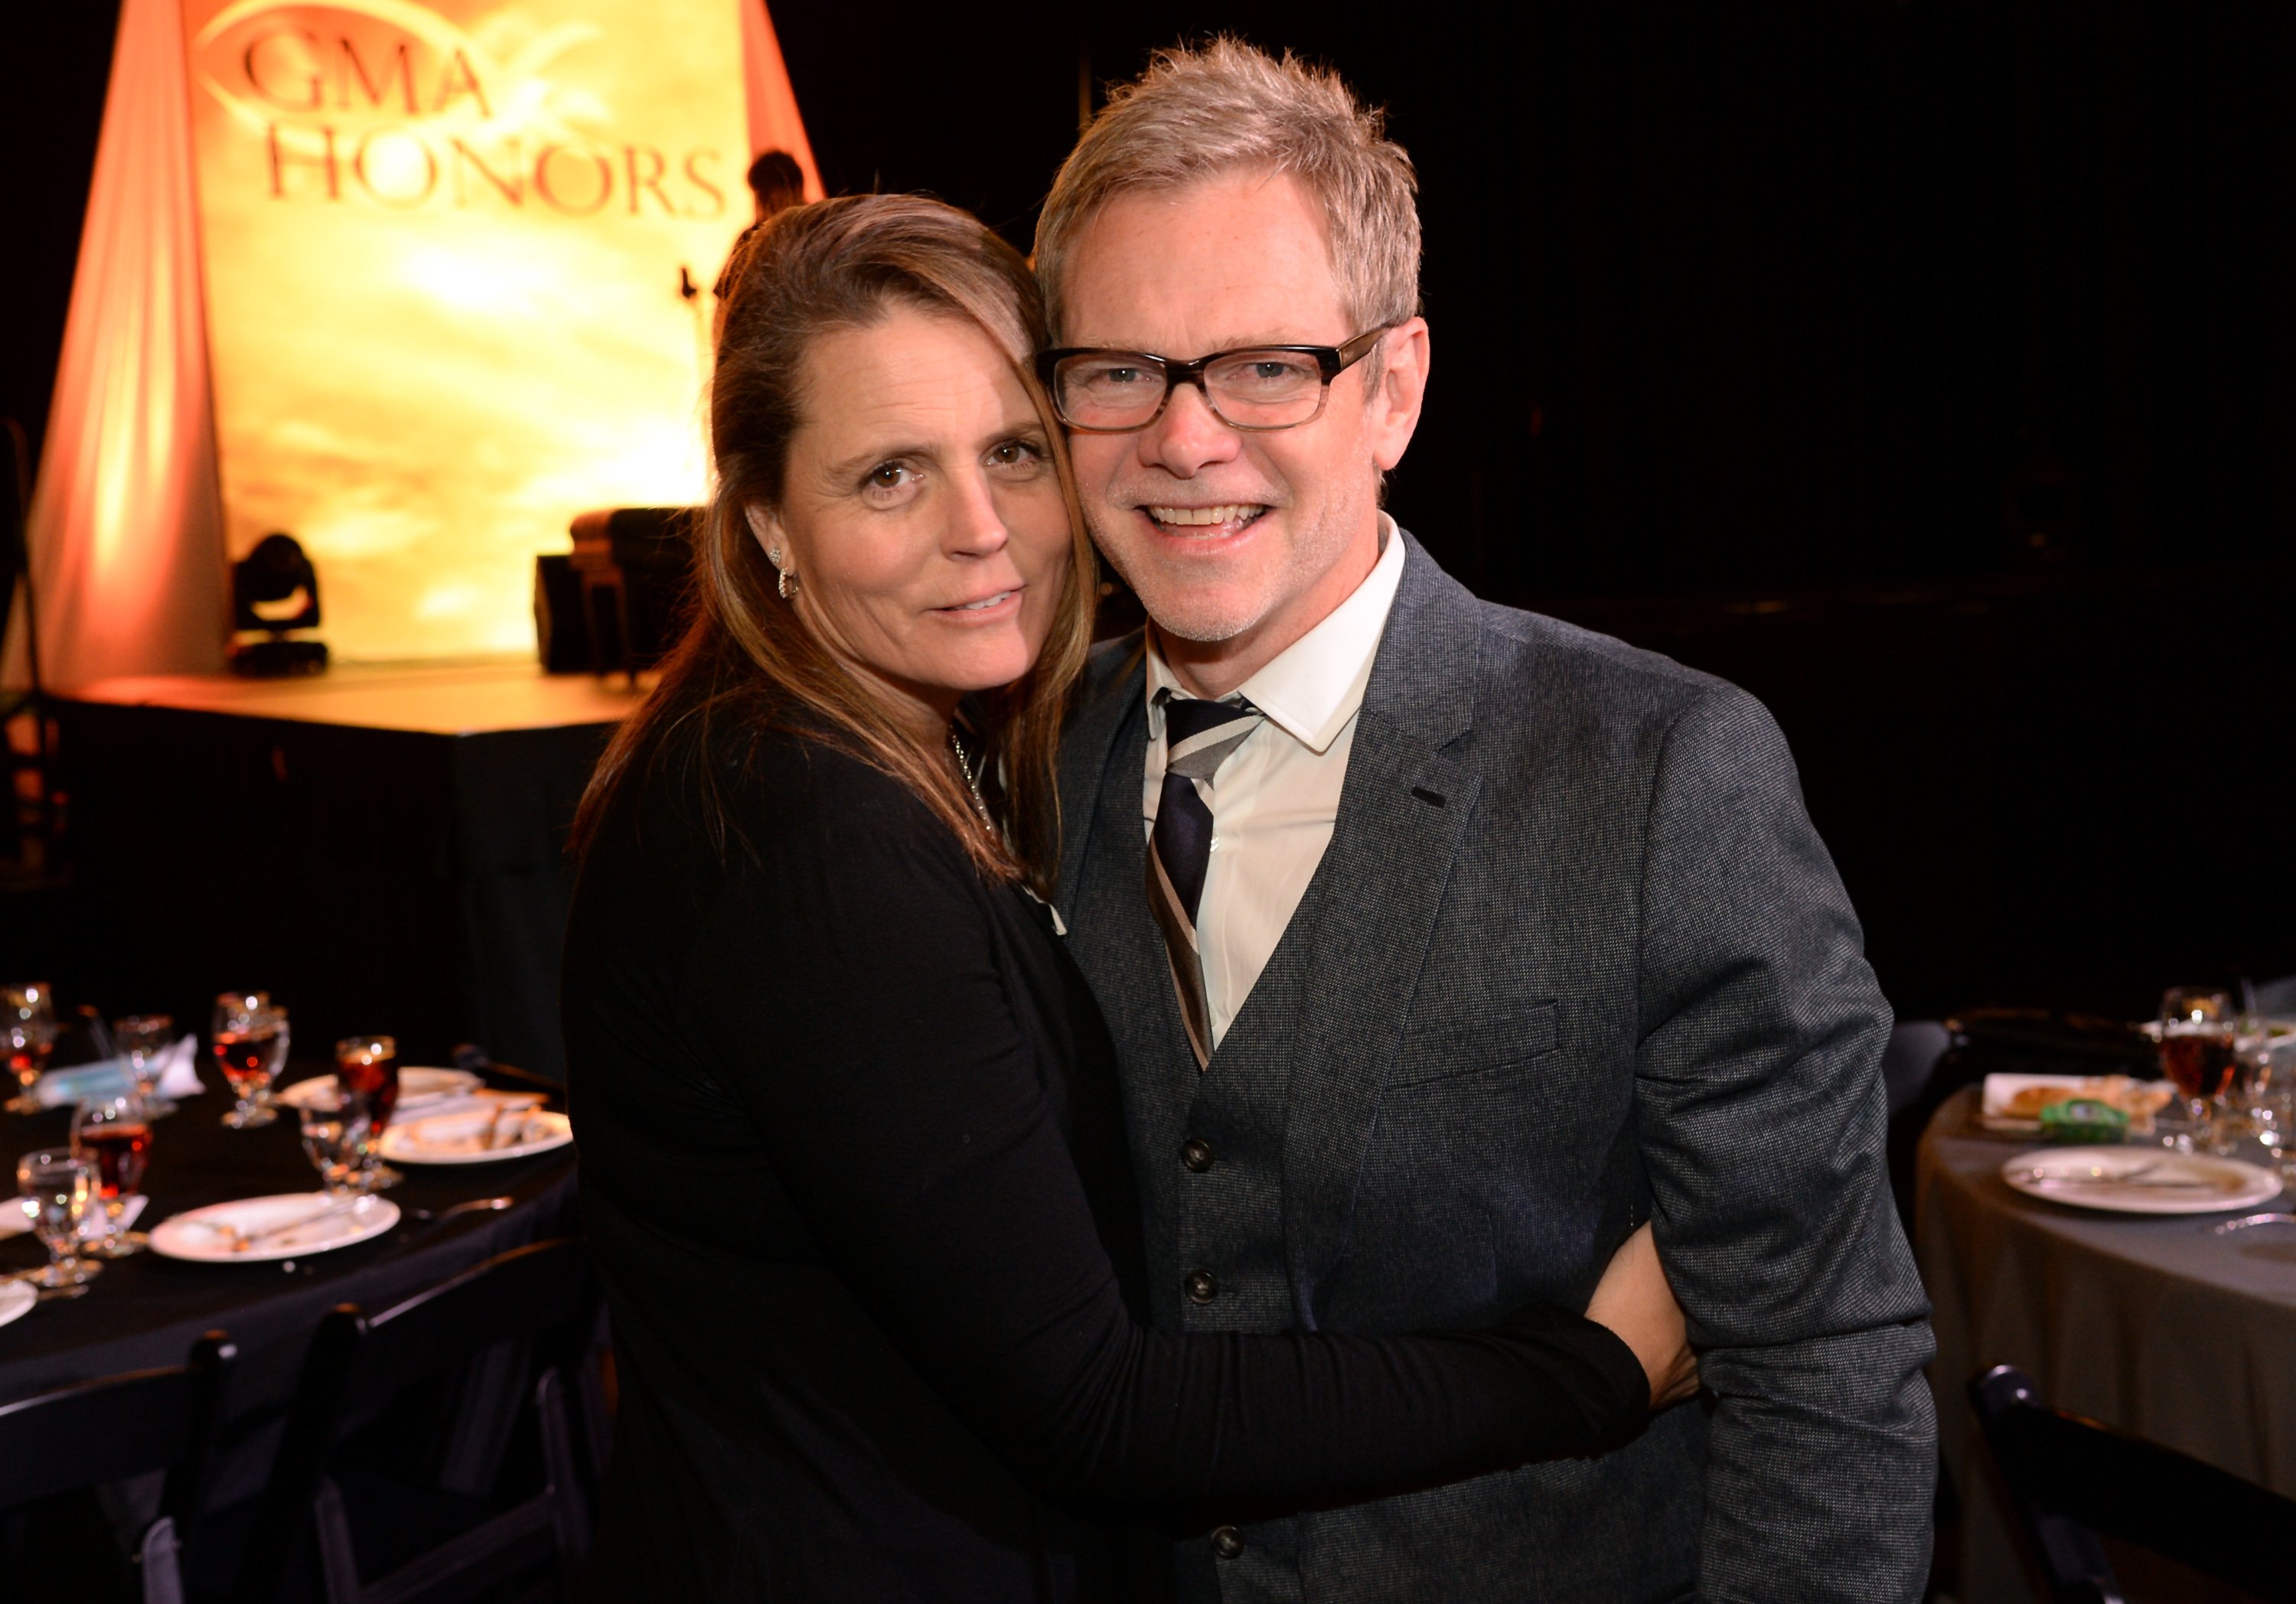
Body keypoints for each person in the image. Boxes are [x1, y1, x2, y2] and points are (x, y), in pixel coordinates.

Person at [562, 192, 1698, 1601]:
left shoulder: (919, 752)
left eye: (1016, 454)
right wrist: (1588, 1375)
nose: (984, 532)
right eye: (889, 478)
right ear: (766, 523)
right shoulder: (800, 833)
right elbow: (1098, 1408)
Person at [1036, 39, 1939, 1604]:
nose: (1183, 439)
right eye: (1119, 369)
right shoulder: (1025, 761)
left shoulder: (1663, 775)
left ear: (1393, 387)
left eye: (1266, 366)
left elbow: (1823, 1378)